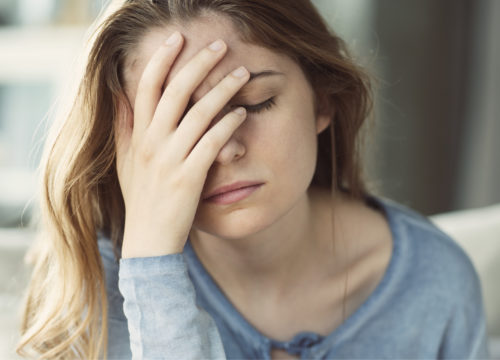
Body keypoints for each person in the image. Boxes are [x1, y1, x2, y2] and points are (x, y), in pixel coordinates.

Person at [16, 0, 489, 359]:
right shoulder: (94, 288)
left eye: (257, 102)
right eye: (181, 121)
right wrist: (152, 269)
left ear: (322, 101)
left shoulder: (435, 285)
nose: (224, 148)